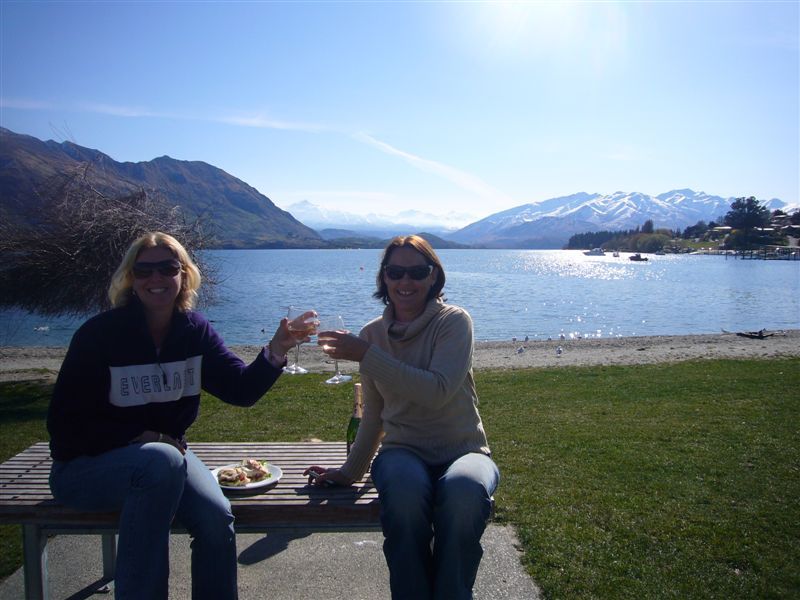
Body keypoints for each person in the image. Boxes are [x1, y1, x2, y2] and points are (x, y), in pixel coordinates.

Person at [47, 231, 304, 600]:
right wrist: (141, 436)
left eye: (167, 268)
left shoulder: (194, 331)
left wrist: (276, 350)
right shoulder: (99, 335)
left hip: (165, 462)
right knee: (161, 460)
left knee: (216, 517)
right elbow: (64, 428)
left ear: (183, 274)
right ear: (130, 278)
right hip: (84, 471)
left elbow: (240, 390)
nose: (156, 279)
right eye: (144, 270)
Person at [305, 235, 500, 600]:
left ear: (433, 278)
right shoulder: (372, 334)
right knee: (405, 492)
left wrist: (366, 354)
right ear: (384, 279)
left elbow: (436, 392)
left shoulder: (454, 321)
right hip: (402, 451)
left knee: (464, 492)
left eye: (417, 272)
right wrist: (350, 471)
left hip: (464, 450)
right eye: (395, 272)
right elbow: (375, 413)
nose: (405, 282)